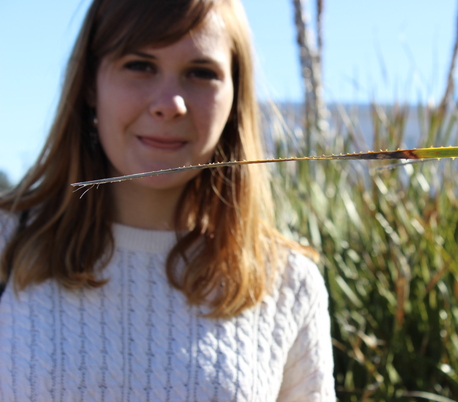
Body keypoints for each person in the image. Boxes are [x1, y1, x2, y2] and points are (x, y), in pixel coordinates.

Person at [0, 0, 335, 400]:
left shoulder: (289, 285)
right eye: (140, 65)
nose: (170, 104)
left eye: (201, 72)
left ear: (235, 95)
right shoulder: (8, 245)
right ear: (90, 82)